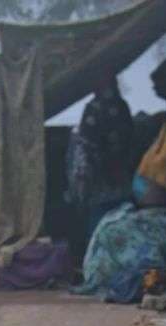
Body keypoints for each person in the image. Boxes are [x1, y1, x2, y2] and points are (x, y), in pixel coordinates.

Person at [73, 52, 166, 304]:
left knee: (104, 229)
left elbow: (100, 145)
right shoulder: (106, 108)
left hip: (110, 183)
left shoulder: (104, 108)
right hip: (109, 183)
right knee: (102, 228)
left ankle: (102, 274)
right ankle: (100, 272)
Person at [65, 77, 134, 264]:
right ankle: (100, 263)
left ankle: (114, 263)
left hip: (118, 178)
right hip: (102, 179)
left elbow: (129, 138)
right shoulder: (94, 109)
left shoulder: (120, 107)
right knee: (100, 225)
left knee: (120, 223)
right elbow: (86, 145)